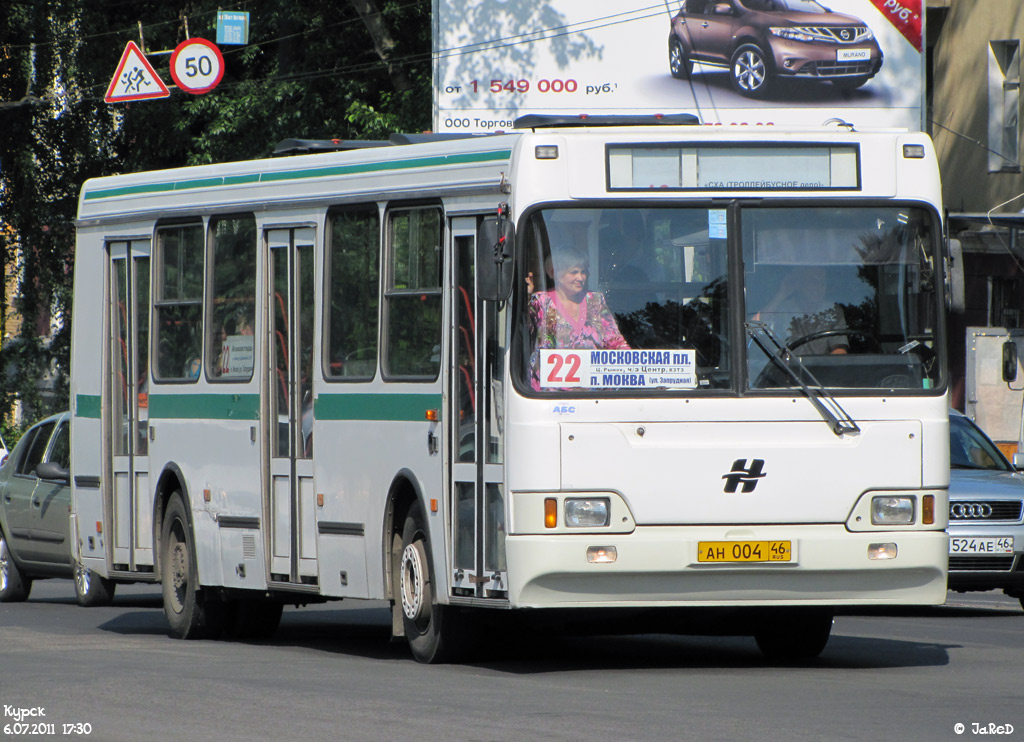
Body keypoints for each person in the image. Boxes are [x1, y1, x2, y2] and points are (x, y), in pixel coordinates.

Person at [526, 245, 629, 389]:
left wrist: (635, 367)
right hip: (549, 393)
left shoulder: (595, 300)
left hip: (593, 393)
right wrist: (525, 296)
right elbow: (521, 329)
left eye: (583, 272)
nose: (580, 278)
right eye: (573, 272)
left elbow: (615, 342)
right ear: (555, 273)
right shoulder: (540, 302)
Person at [751, 265, 849, 355]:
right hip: (787, 370)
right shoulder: (783, 308)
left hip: (820, 372)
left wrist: (826, 370)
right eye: (812, 282)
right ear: (799, 284)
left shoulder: (832, 311)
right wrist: (781, 294)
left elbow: (840, 350)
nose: (817, 287)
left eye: (822, 282)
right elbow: (755, 328)